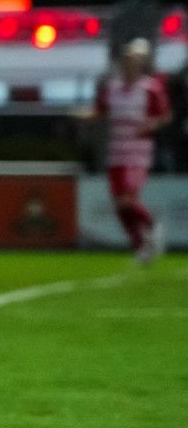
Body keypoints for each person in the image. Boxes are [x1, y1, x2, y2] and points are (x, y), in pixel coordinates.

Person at [90, 37, 170, 264]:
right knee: (118, 205)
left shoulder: (151, 88)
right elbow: (100, 112)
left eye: (134, 60)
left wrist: (151, 124)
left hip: (138, 152)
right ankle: (140, 245)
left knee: (127, 200)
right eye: (126, 60)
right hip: (117, 151)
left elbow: (164, 116)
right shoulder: (113, 87)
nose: (129, 64)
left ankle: (152, 225)